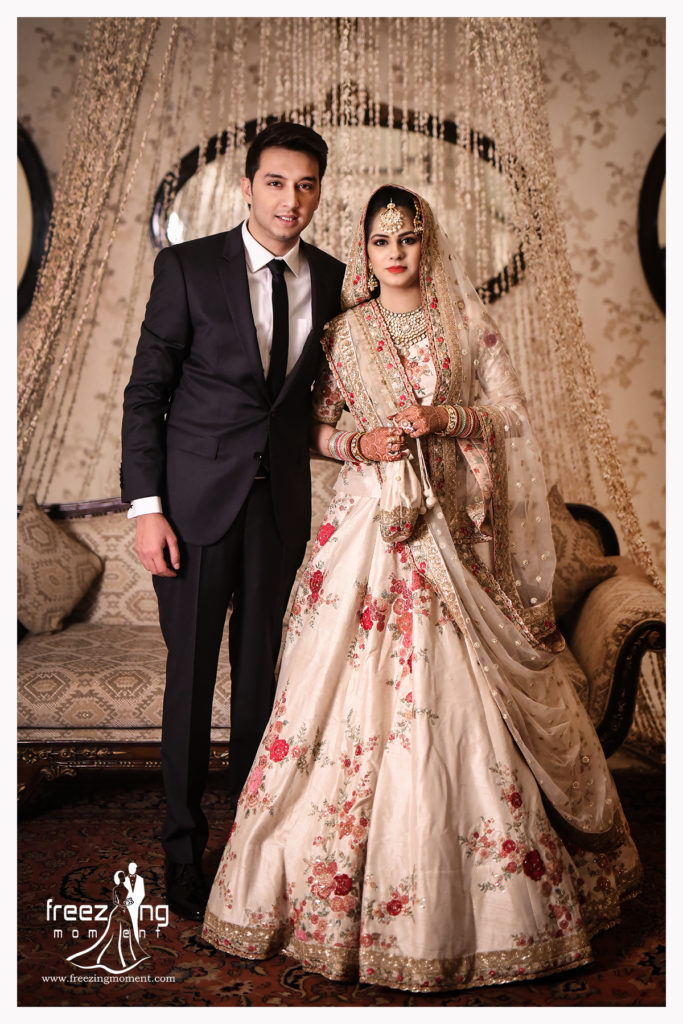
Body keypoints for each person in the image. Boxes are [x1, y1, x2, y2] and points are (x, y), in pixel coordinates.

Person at [201, 186, 641, 993]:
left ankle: (491, 909)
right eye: (381, 241)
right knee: (330, 701)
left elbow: (512, 420)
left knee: (459, 707)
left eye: (407, 237)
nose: (395, 252)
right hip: (367, 534)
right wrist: (357, 441)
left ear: (425, 243)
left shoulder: (466, 325)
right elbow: (309, 429)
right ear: (363, 251)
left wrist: (446, 419)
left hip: (452, 536)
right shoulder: (343, 334)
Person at [121, 122, 345, 921]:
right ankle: (183, 850)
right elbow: (145, 395)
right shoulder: (187, 268)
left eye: (306, 185)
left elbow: (316, 403)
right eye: (276, 183)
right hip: (191, 511)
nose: (291, 200)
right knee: (189, 682)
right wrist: (147, 510)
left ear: (318, 193)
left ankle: (250, 849)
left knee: (261, 688)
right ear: (246, 188)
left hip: (278, 510)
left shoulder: (333, 278)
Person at [66, 871, 149, 974]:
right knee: (114, 933)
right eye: (121, 879)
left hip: (123, 911)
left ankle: (122, 960)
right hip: (119, 912)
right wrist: (123, 905)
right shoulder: (116, 889)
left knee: (120, 933)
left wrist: (128, 903)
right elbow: (116, 901)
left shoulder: (127, 889)